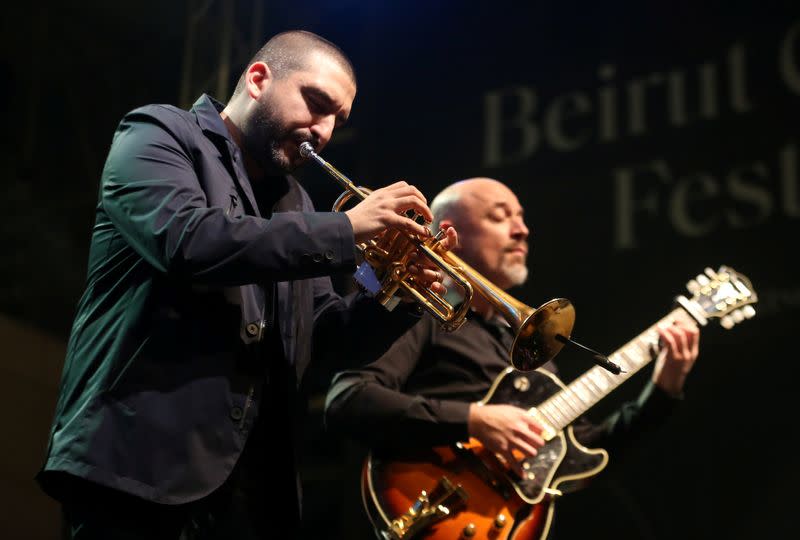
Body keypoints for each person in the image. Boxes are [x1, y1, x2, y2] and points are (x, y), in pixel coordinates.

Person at [37, 30, 456, 540]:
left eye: (336, 121)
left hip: (252, 497)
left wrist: (396, 294)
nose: (323, 131)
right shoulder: (158, 133)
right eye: (316, 103)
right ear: (258, 79)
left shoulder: (296, 204)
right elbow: (191, 242)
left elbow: (323, 338)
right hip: (136, 473)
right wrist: (345, 228)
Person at [324, 177, 700, 539]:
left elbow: (588, 453)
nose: (522, 230)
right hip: (432, 504)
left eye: (521, 217)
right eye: (500, 216)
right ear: (452, 234)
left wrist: (663, 389)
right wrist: (473, 420)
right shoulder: (418, 316)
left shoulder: (531, 348)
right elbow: (348, 399)